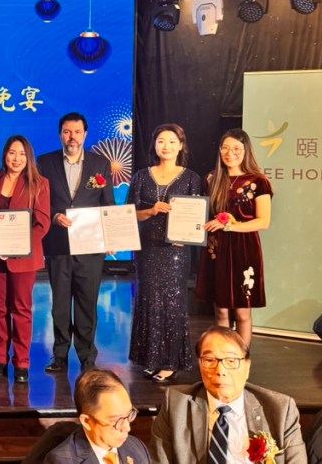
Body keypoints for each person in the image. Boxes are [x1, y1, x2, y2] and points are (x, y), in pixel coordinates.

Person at [150, 326, 306, 464]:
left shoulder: (280, 409)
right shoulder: (176, 404)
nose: (220, 371)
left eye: (231, 361)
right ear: (199, 365)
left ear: (247, 366)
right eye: (209, 360)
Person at [38, 112, 115, 373]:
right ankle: (59, 355)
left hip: (90, 247)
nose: (72, 137)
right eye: (67, 132)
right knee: (60, 304)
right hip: (58, 245)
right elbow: (39, 202)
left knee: (87, 303)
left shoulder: (100, 164)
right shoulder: (44, 162)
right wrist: (53, 216)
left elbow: (107, 204)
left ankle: (87, 357)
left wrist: (111, 236)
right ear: (60, 134)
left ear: (85, 134)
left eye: (77, 132)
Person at [127, 123, 201, 384]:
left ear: (180, 146)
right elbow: (128, 213)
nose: (166, 146)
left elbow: (196, 215)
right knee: (148, 300)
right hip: (147, 250)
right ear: (154, 146)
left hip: (175, 252)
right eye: (161, 141)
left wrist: (187, 236)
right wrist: (151, 210)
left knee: (172, 303)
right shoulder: (140, 176)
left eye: (171, 141)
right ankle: (151, 358)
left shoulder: (191, 178)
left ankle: (170, 362)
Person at [0, 135, 51, 384]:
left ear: (28, 157)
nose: (17, 158)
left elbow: (42, 223)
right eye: (12, 153)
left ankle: (21, 361)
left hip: (23, 257)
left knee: (21, 309)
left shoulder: (39, 183)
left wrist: (17, 247)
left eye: (22, 154)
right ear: (5, 155)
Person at [195, 128, 273, 348]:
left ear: (246, 151)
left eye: (236, 148)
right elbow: (202, 214)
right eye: (225, 148)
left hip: (244, 248)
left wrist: (230, 225)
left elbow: (263, 222)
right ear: (220, 151)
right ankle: (223, 354)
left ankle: (241, 357)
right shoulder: (211, 178)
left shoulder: (258, 181)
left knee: (242, 311)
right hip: (216, 249)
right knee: (220, 309)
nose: (230, 153)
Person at [34, 369, 150, 464]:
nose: (127, 428)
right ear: (86, 421)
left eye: (129, 414)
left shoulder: (136, 447)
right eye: (116, 420)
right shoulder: (63, 461)